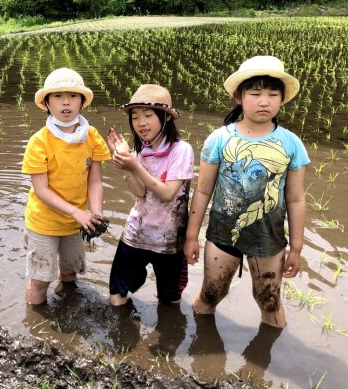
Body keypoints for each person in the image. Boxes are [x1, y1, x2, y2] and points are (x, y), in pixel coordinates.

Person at [183, 55, 309, 328]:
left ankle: (270, 358)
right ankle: (201, 350)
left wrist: (296, 248)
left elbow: (296, 199)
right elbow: (203, 190)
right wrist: (192, 235)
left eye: (272, 94)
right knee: (211, 293)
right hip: (222, 234)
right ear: (239, 97)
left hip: (269, 238)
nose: (264, 101)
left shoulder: (291, 143)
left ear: (281, 99)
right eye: (255, 93)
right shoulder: (221, 138)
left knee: (270, 302)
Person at [21, 67, 111, 305]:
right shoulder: (39, 142)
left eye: (72, 96)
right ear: (47, 103)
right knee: (40, 281)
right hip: (44, 223)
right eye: (58, 96)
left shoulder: (91, 136)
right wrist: (77, 212)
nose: (65, 103)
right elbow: (41, 190)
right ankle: (34, 324)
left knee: (70, 274)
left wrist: (97, 213)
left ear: (82, 102)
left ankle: (68, 309)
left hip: (75, 222)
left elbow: (95, 180)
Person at [106, 84, 194, 306]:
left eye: (148, 115)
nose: (141, 123)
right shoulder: (141, 151)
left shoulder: (181, 150)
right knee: (117, 293)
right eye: (135, 117)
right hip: (136, 232)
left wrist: (134, 166)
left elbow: (167, 194)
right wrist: (127, 164)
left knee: (170, 299)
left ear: (165, 118)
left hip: (168, 238)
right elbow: (139, 192)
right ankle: (121, 335)